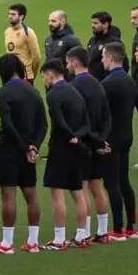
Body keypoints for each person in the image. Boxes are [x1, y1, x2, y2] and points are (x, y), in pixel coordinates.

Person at [0, 53, 45, 253]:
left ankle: (7, 243)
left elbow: (8, 123)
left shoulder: (3, 92)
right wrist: (34, 146)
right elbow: (43, 124)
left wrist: (23, 146)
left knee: (8, 195)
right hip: (29, 150)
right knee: (31, 194)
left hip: (9, 149)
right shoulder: (33, 91)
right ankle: (33, 241)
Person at [39, 59, 91, 250]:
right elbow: (86, 122)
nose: (43, 79)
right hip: (77, 148)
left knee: (57, 193)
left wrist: (70, 136)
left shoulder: (53, 94)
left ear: (50, 74)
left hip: (61, 147)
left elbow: (59, 122)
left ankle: (59, 239)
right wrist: (78, 137)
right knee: (78, 192)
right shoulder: (75, 92)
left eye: (43, 75)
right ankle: (81, 235)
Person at [97, 42, 138, 238]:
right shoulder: (131, 81)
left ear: (111, 59)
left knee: (111, 184)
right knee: (124, 182)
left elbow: (101, 114)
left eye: (104, 56)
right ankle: (131, 226)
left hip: (111, 138)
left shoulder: (107, 84)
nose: (102, 60)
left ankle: (117, 228)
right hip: (126, 135)